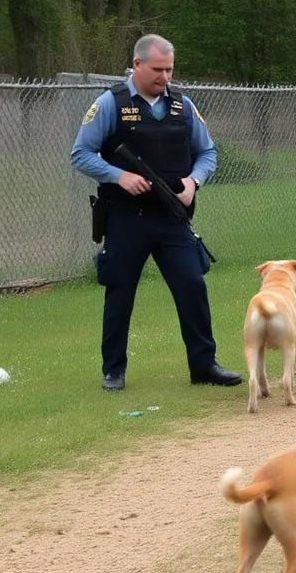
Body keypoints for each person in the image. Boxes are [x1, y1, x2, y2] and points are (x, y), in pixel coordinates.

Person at [70, 34, 242, 391]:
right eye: (158, 69)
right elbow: (81, 154)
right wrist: (119, 176)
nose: (165, 77)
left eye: (169, 69)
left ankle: (204, 366)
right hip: (125, 217)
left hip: (171, 218)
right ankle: (113, 370)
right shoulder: (109, 104)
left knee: (192, 284)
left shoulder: (183, 106)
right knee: (120, 291)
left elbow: (208, 154)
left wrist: (193, 182)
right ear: (136, 64)